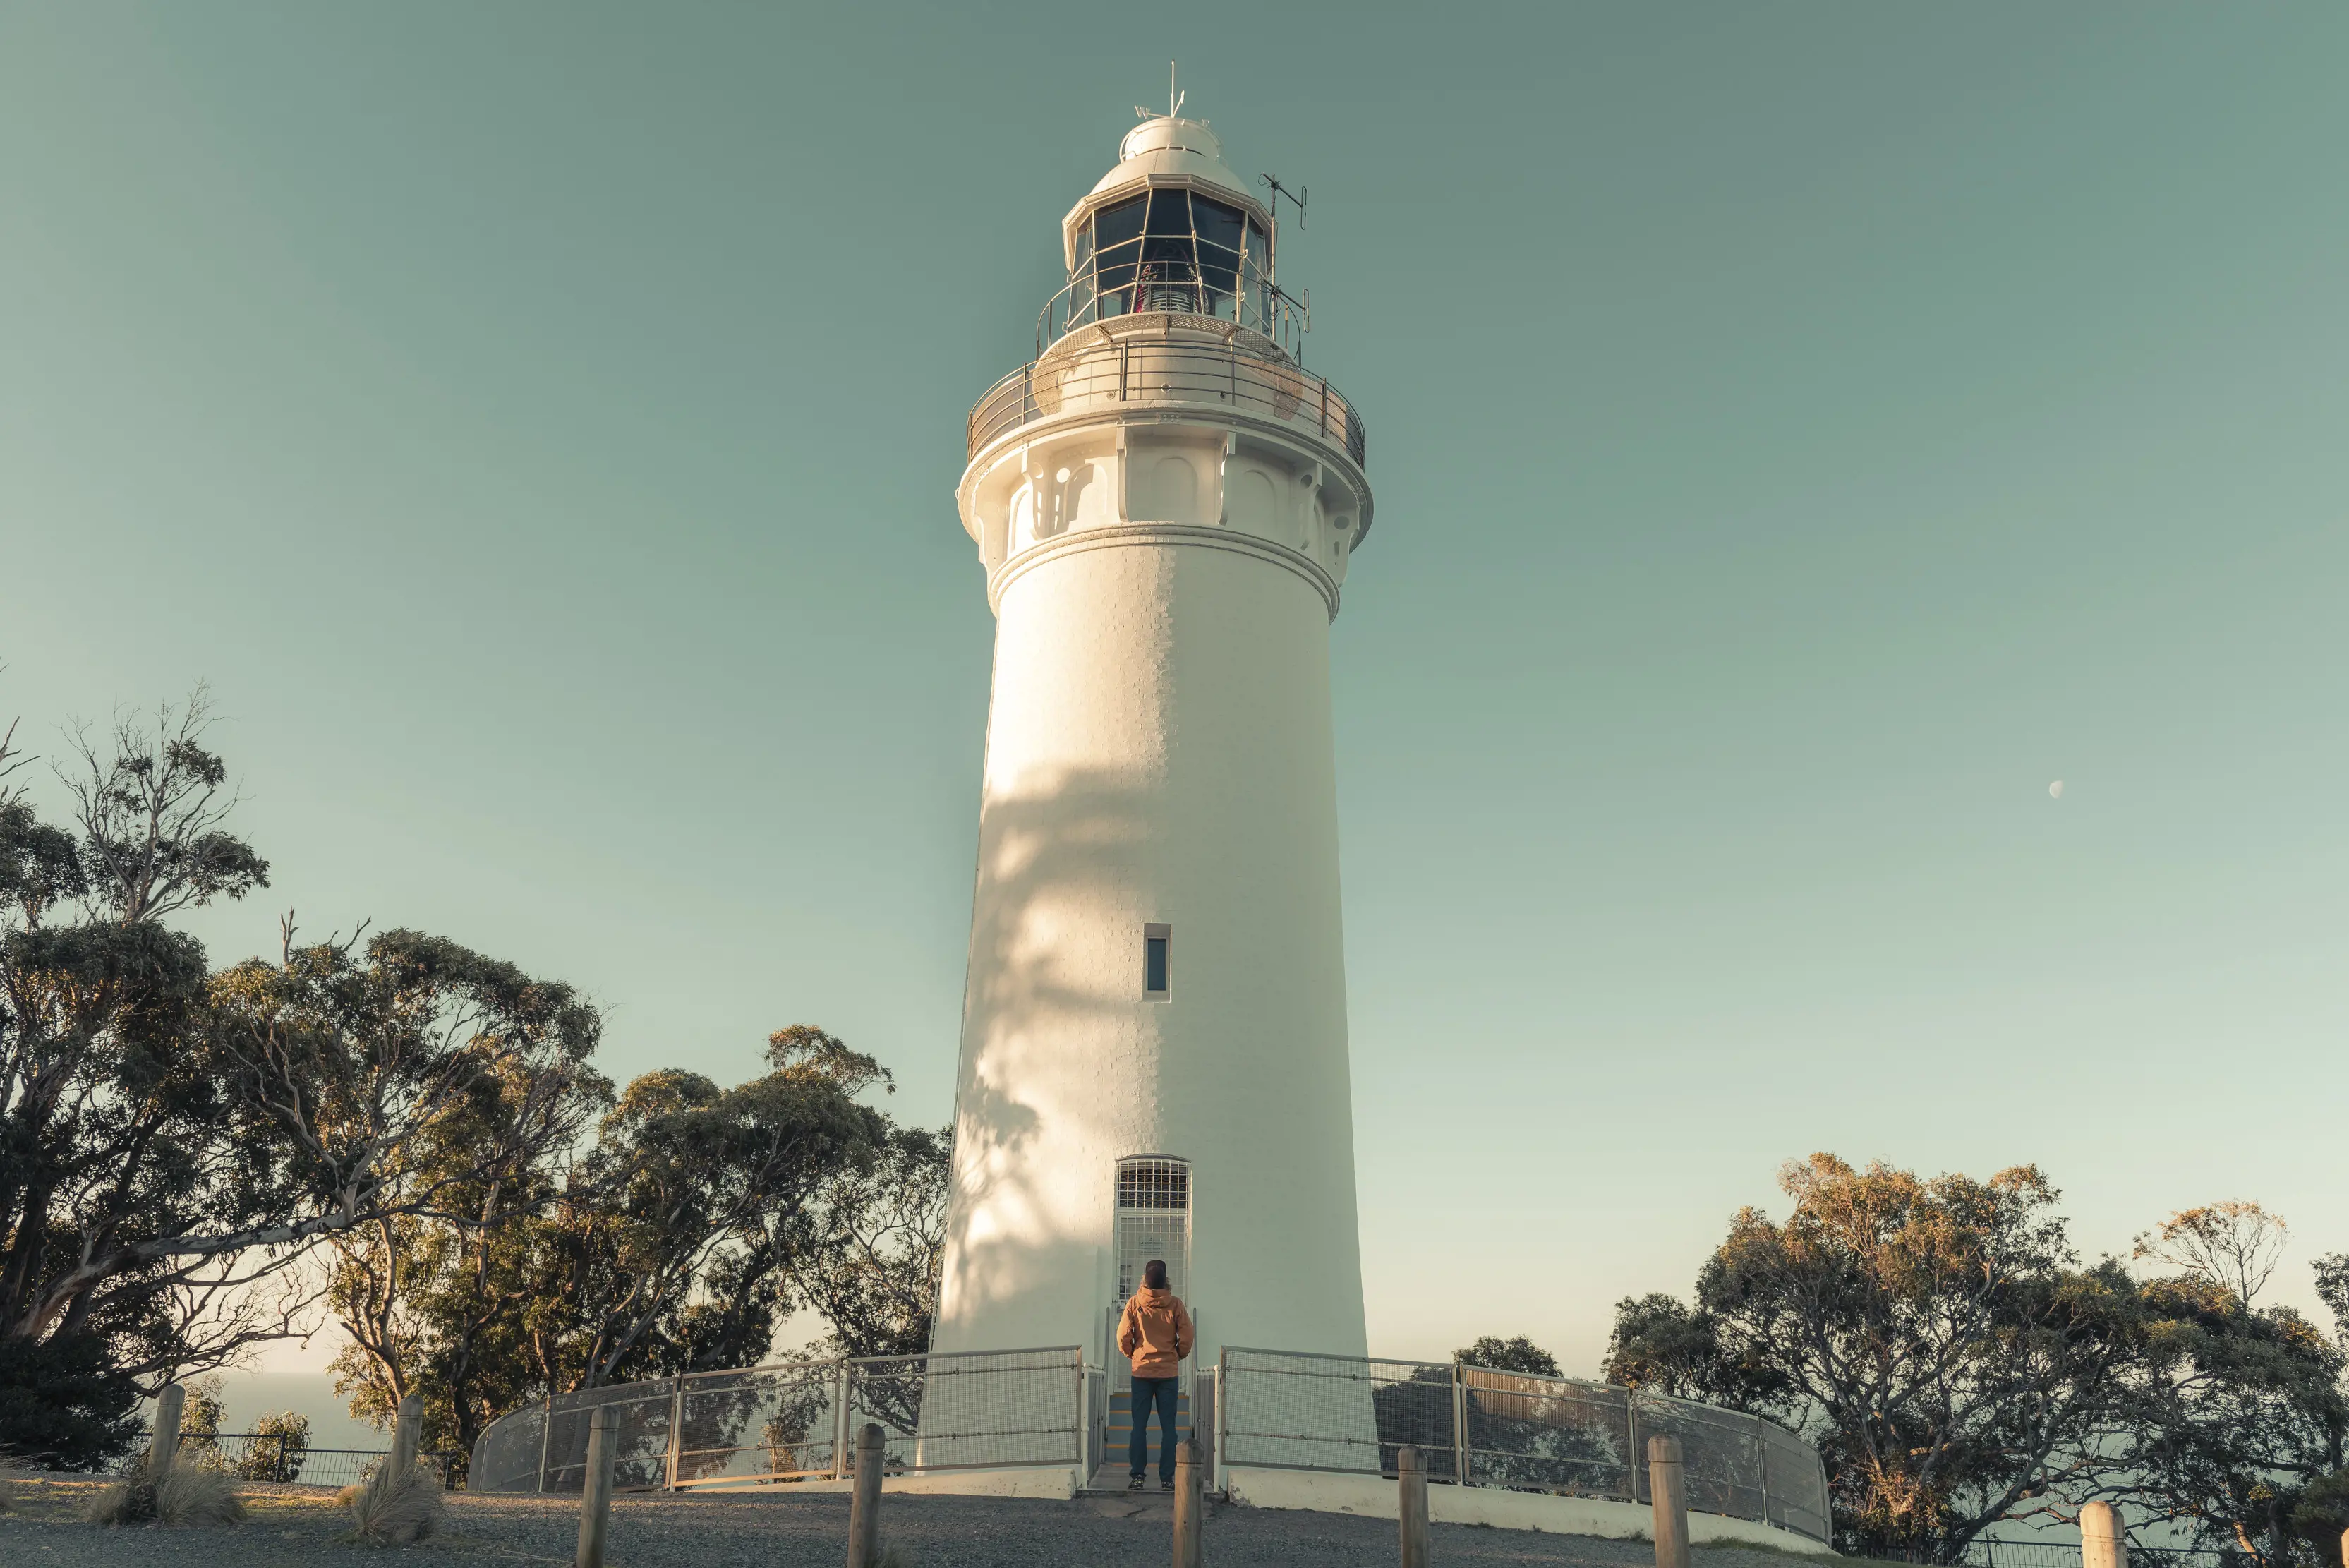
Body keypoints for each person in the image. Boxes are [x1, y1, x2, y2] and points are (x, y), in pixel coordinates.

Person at [1115, 1259, 1195, 1492]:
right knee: (1168, 1428)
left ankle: (1138, 1477)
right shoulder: (1175, 1304)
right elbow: (1187, 1336)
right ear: (1166, 1280)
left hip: (1141, 1373)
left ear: (1144, 1279)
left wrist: (1133, 1355)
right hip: (1168, 1374)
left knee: (1139, 1426)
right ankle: (1167, 1479)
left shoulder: (1134, 1303)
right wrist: (1177, 1354)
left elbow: (1122, 1337)